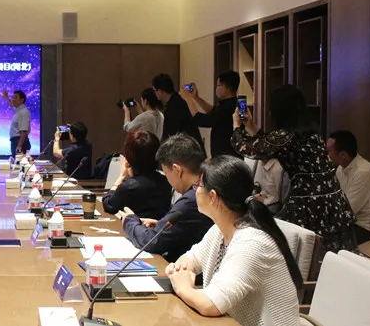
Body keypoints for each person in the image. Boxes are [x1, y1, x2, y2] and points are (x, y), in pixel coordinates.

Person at [166, 156, 302, 326]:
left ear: (213, 196)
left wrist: (183, 287)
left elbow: (210, 305)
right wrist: (181, 270)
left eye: (198, 185)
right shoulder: (220, 230)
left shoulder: (252, 243)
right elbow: (191, 258)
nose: (195, 190)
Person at [231, 85, 357, 255]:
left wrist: (237, 126)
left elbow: (246, 147)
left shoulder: (286, 137)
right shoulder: (312, 133)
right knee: (335, 254)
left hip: (309, 203)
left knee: (302, 254)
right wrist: (251, 125)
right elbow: (268, 143)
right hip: (333, 202)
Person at [118, 133, 212, 262]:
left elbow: (150, 241)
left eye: (166, 173)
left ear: (177, 170)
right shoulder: (205, 187)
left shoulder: (192, 199)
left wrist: (130, 221)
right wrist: (160, 225)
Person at [327, 130, 370, 243]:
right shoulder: (340, 168)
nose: (327, 155)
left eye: (329, 151)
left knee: (328, 238)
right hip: (353, 221)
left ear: (343, 155)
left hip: (367, 227)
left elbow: (347, 210)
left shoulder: (363, 172)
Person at [102, 130, 171, 218]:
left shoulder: (128, 186)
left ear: (129, 155)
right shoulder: (166, 182)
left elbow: (109, 205)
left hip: (132, 226)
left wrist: (121, 177)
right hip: (159, 226)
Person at [181, 71, 241, 158]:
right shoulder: (232, 103)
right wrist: (196, 98)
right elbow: (214, 112)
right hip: (227, 155)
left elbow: (202, 120)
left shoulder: (229, 107)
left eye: (218, 85)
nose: (216, 88)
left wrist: (188, 100)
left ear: (227, 88)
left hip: (227, 157)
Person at [151, 74, 203, 148]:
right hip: (193, 145)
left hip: (186, 148)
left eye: (154, 90)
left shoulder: (173, 107)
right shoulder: (179, 100)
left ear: (160, 91)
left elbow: (172, 136)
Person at [2, 89, 31, 156]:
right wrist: (7, 98)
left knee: (19, 161)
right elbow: (12, 105)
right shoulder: (18, 109)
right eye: (12, 97)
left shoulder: (23, 112)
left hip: (19, 141)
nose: (13, 99)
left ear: (22, 100)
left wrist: (19, 146)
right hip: (16, 141)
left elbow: (23, 131)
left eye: (16, 97)